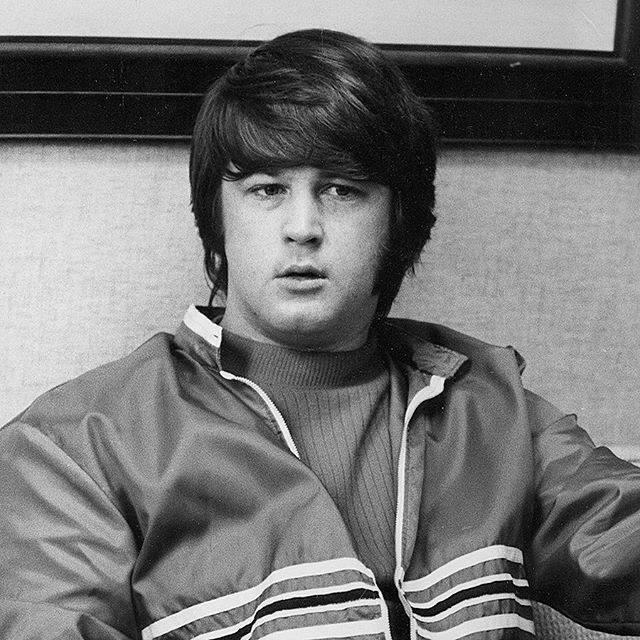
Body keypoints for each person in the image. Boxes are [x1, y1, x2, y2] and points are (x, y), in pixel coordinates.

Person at [1, 28, 639, 640]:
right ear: (217, 219)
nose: (302, 227)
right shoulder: (76, 445)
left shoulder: (488, 402)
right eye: (267, 189)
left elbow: (615, 539)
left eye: (342, 190)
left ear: (398, 222)